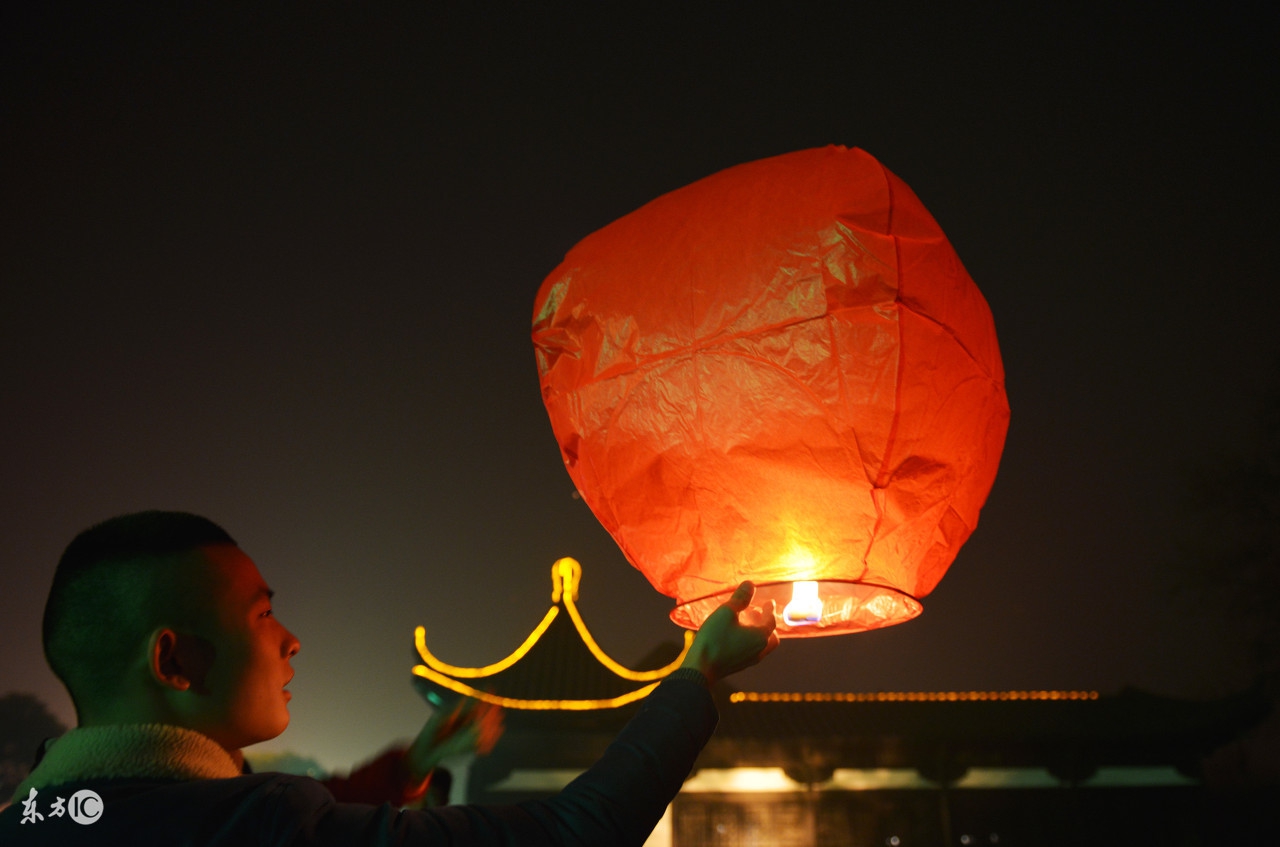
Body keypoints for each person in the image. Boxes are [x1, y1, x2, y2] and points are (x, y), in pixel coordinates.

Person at [0, 511, 778, 845]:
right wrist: (695, 674)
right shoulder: (261, 822)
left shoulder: (36, 815)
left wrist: (411, 765)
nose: (292, 640)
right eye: (262, 614)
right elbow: (575, 833)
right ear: (172, 659)